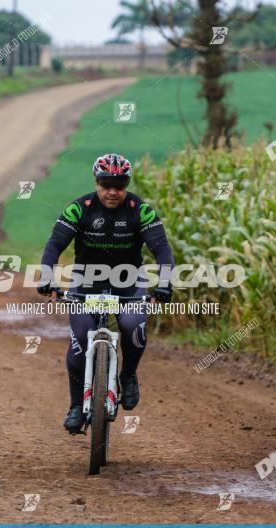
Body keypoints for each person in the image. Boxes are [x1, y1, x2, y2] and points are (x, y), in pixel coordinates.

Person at [37, 153, 174, 432]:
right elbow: (54, 246)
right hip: (86, 280)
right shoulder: (79, 208)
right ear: (96, 182)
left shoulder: (140, 209)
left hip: (129, 279)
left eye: (120, 185)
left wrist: (165, 283)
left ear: (127, 184)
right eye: (106, 184)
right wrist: (47, 278)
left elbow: (162, 250)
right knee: (80, 338)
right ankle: (76, 405)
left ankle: (129, 374)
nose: (113, 191)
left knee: (132, 325)